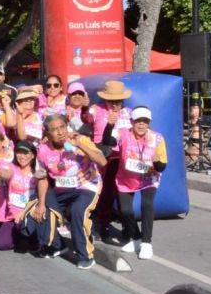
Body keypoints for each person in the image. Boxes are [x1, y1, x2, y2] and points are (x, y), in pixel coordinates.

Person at [32, 113, 107, 269]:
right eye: (54, 129)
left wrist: (80, 145)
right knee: (41, 206)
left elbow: (102, 161)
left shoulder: (81, 139)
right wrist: (40, 203)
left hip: (87, 185)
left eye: (62, 127)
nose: (60, 132)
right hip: (62, 189)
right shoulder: (43, 150)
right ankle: (56, 245)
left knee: (78, 211)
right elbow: (42, 178)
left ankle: (85, 255)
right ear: (48, 133)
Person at [104, 106, 167, 260]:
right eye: (138, 121)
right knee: (125, 211)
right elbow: (107, 141)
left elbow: (162, 166)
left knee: (146, 204)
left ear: (149, 123)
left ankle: (146, 243)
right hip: (126, 178)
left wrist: (157, 162)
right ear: (132, 121)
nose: (141, 124)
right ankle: (137, 238)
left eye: (145, 121)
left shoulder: (157, 138)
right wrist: (109, 125)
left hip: (148, 177)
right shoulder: (124, 134)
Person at [92, 80, 134, 240]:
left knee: (123, 194)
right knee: (106, 193)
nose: (115, 104)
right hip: (105, 157)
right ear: (105, 100)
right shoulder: (96, 110)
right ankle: (103, 225)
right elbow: (83, 118)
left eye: (118, 101)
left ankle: (127, 228)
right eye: (111, 101)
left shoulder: (129, 113)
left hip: (124, 158)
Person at [0, 140, 41, 253]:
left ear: (33, 155)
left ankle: (29, 236)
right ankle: (20, 236)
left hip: (29, 215)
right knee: (1, 244)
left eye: (26, 153)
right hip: (12, 216)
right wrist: (0, 174)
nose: (22, 156)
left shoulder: (37, 173)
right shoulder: (12, 168)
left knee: (22, 248)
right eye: (19, 152)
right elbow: (6, 174)